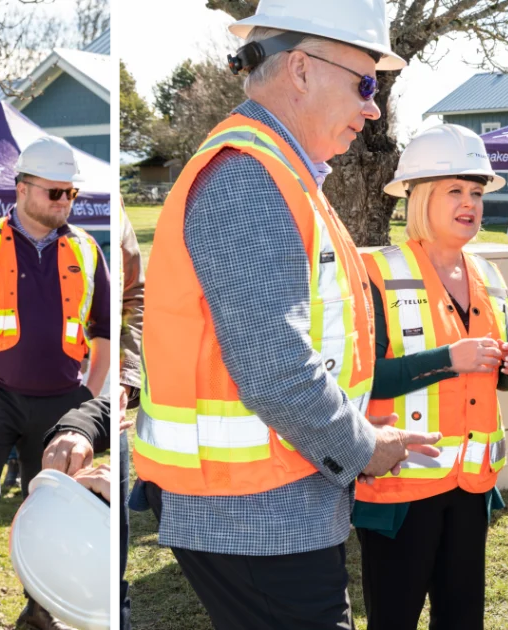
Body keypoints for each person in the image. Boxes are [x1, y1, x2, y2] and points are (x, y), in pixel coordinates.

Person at [129, 2, 444, 627]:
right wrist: (361, 447)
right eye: (365, 82)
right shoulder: (251, 176)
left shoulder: (280, 175)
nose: (374, 106)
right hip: (252, 513)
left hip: (263, 504)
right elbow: (274, 366)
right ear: (300, 68)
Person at [0, 134, 117, 627]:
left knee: (60, 506)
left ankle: (43, 608)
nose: (65, 203)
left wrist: (86, 392)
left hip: (61, 403)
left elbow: (105, 328)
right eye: (54, 193)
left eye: (71, 194)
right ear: (20, 189)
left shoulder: (86, 249)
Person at [353, 124, 508, 630]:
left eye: (476, 192)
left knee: (462, 620)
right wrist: (448, 359)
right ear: (420, 197)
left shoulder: (490, 278)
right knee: (394, 619)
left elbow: (493, 379)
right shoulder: (376, 272)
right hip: (400, 487)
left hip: (471, 487)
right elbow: (363, 381)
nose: (469, 203)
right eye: (454, 190)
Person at [41, 195, 144, 629]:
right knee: (49, 509)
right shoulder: (33, 222)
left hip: (109, 401)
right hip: (48, 397)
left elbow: (134, 296)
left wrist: (129, 373)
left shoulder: (116, 207)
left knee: (111, 541)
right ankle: (43, 606)